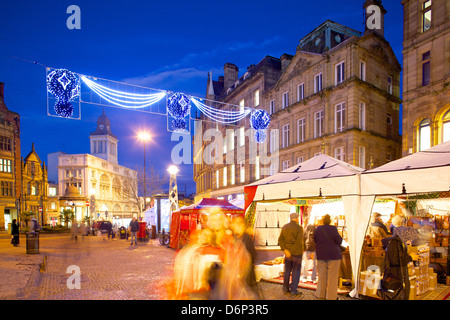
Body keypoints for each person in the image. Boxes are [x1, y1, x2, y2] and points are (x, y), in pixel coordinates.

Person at [314, 214, 343, 300]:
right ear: (330, 220)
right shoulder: (333, 228)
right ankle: (331, 297)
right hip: (333, 254)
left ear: (323, 220)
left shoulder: (318, 229)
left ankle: (320, 294)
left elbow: (315, 240)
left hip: (321, 254)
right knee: (332, 277)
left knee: (322, 275)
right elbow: (339, 240)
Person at [381, 235, 418, 300]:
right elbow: (395, 260)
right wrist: (410, 257)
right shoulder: (395, 242)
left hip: (398, 276)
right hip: (396, 277)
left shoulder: (398, 241)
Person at [278, 212, 304, 296]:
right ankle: (293, 289)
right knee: (296, 271)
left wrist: (285, 249)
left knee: (287, 271)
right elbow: (299, 241)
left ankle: (285, 288)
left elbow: (280, 240)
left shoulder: (285, 227)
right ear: (296, 218)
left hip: (287, 253)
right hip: (296, 253)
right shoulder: (299, 228)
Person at [300, 215, 317, 283]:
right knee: (313, 264)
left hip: (307, 248)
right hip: (312, 248)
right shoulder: (313, 228)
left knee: (306, 264)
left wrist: (303, 248)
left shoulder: (306, 228)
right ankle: (313, 278)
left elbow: (303, 239)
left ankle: (306, 277)